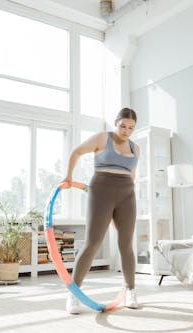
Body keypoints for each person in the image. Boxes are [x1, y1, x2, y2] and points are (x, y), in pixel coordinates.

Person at [62, 108, 140, 314]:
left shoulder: (135, 148)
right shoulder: (102, 138)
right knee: (93, 243)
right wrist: (69, 177)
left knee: (126, 244)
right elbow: (76, 152)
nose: (126, 131)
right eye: (123, 125)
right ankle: (73, 293)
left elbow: (131, 176)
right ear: (115, 122)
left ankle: (130, 289)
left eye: (131, 128)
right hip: (101, 191)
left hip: (126, 196)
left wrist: (119, 211)